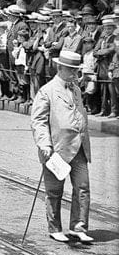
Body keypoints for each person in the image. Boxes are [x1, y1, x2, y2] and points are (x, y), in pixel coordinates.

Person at [30, 49, 93, 244]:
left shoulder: (76, 89)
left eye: (76, 70)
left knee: (82, 187)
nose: (75, 74)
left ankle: (78, 226)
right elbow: (38, 121)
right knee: (54, 191)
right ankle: (55, 227)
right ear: (60, 68)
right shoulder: (46, 91)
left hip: (79, 146)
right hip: (56, 149)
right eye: (71, 70)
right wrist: (44, 144)